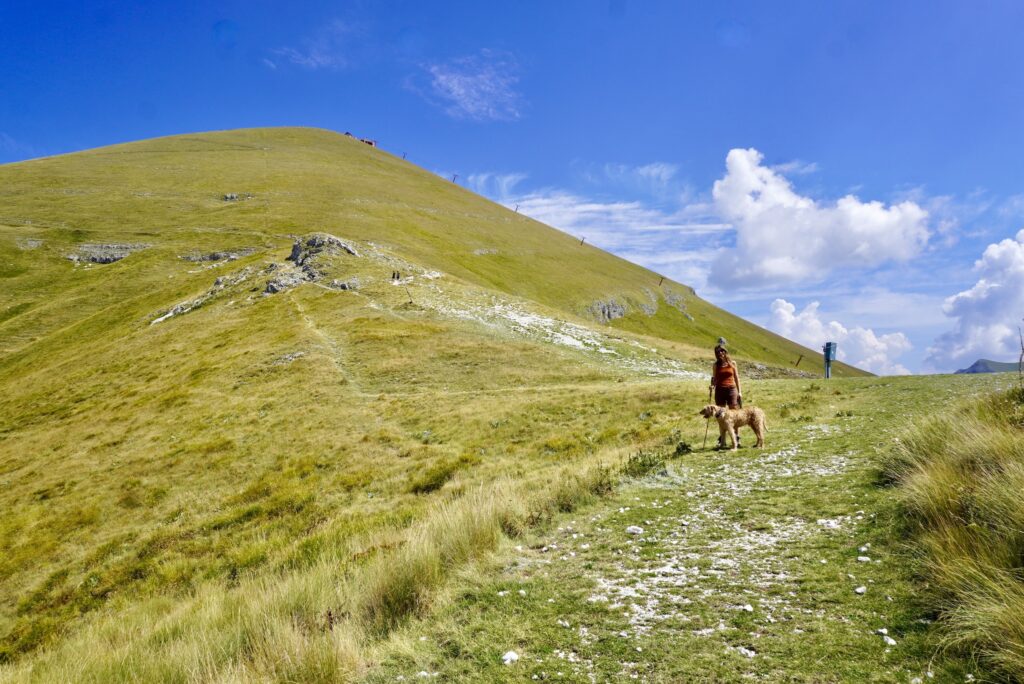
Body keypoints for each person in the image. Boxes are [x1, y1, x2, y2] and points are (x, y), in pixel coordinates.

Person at [709, 344, 742, 447]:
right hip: (719, 391)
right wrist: (712, 386)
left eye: (721, 351)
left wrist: (740, 391)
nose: (720, 353)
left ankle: (736, 439)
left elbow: (736, 377)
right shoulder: (715, 365)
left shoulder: (732, 363)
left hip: (731, 389)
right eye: (717, 352)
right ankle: (722, 441)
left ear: (725, 352)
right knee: (720, 416)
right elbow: (714, 378)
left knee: (735, 415)